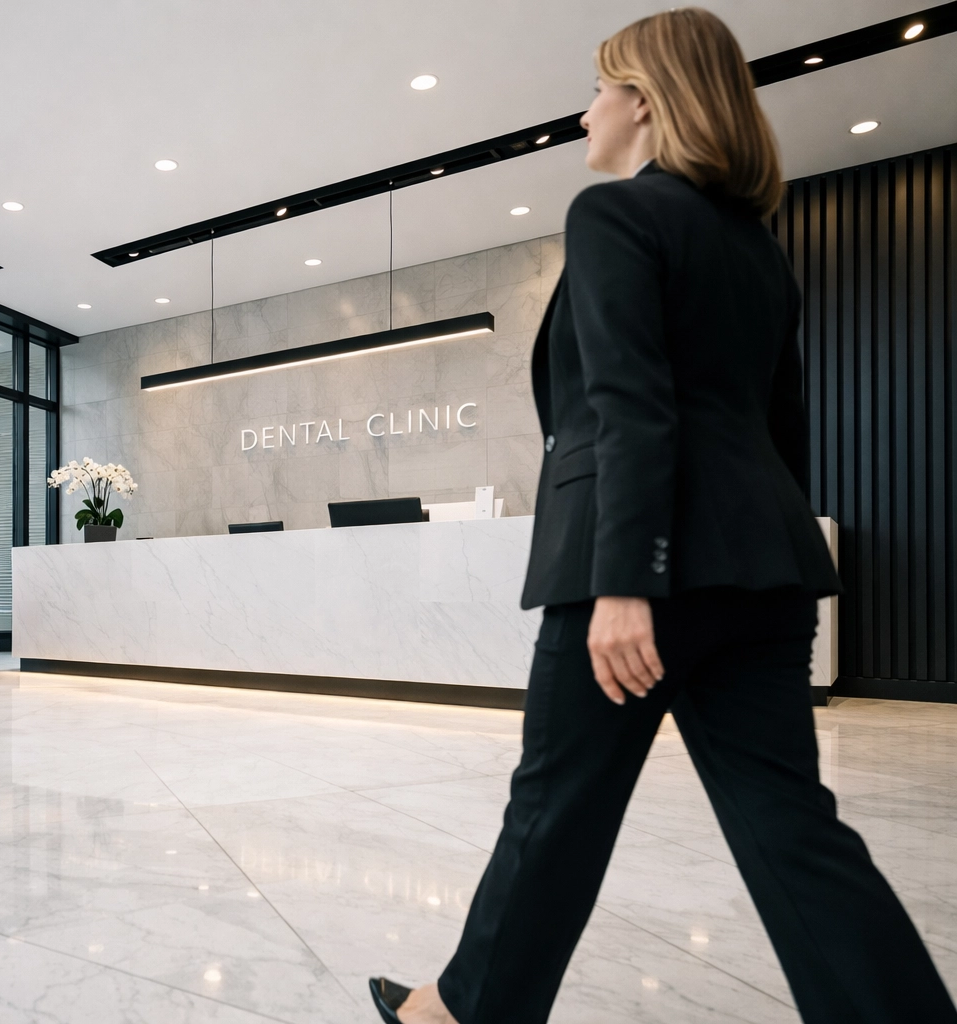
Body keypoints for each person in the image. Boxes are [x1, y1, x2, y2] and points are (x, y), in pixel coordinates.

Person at [368, 8, 957, 1024]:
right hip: (763, 574)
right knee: (793, 829)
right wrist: (769, 564)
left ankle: (460, 1015)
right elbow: (782, 430)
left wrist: (624, 578)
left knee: (557, 810)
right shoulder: (758, 250)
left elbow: (629, 406)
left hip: (644, 571)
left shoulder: (615, 216)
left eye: (599, 90)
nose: (586, 113)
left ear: (643, 102)